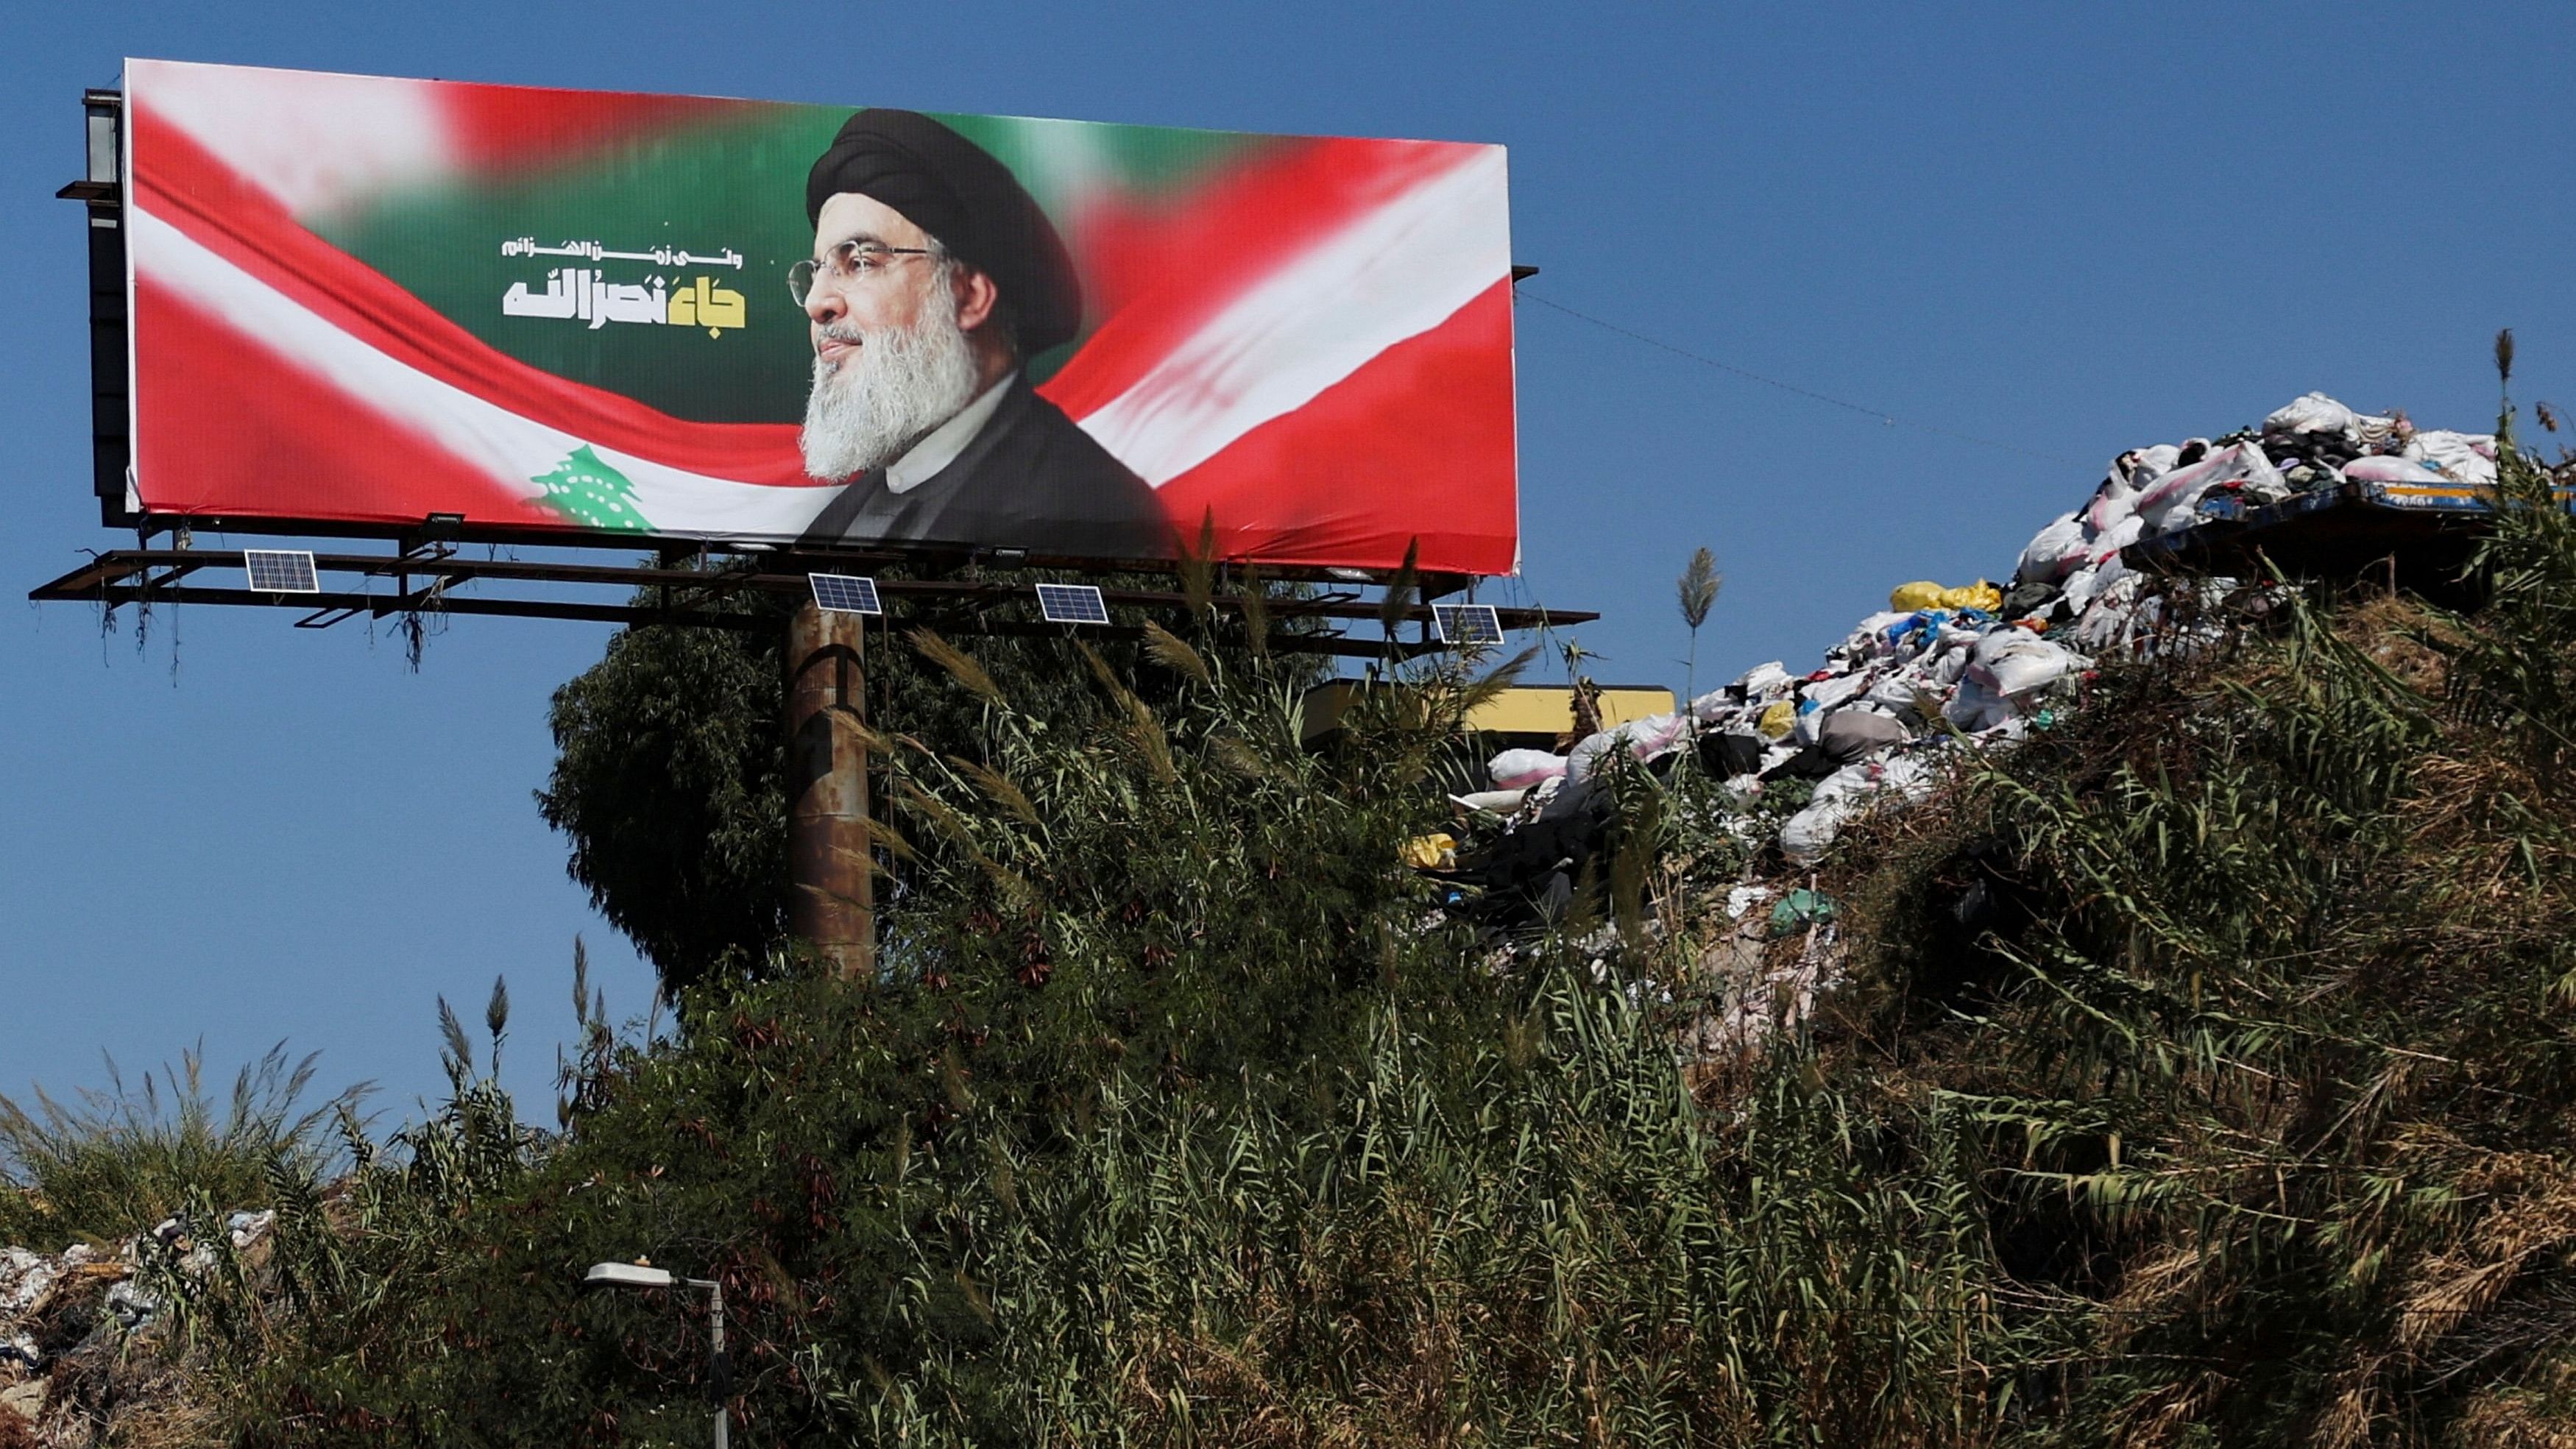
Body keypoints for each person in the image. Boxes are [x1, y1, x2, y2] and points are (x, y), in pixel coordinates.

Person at [793, 108, 1167, 559]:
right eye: (817, 271)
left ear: (969, 297)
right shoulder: (839, 521)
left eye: (860, 263)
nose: (818, 302)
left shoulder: (1085, 508)